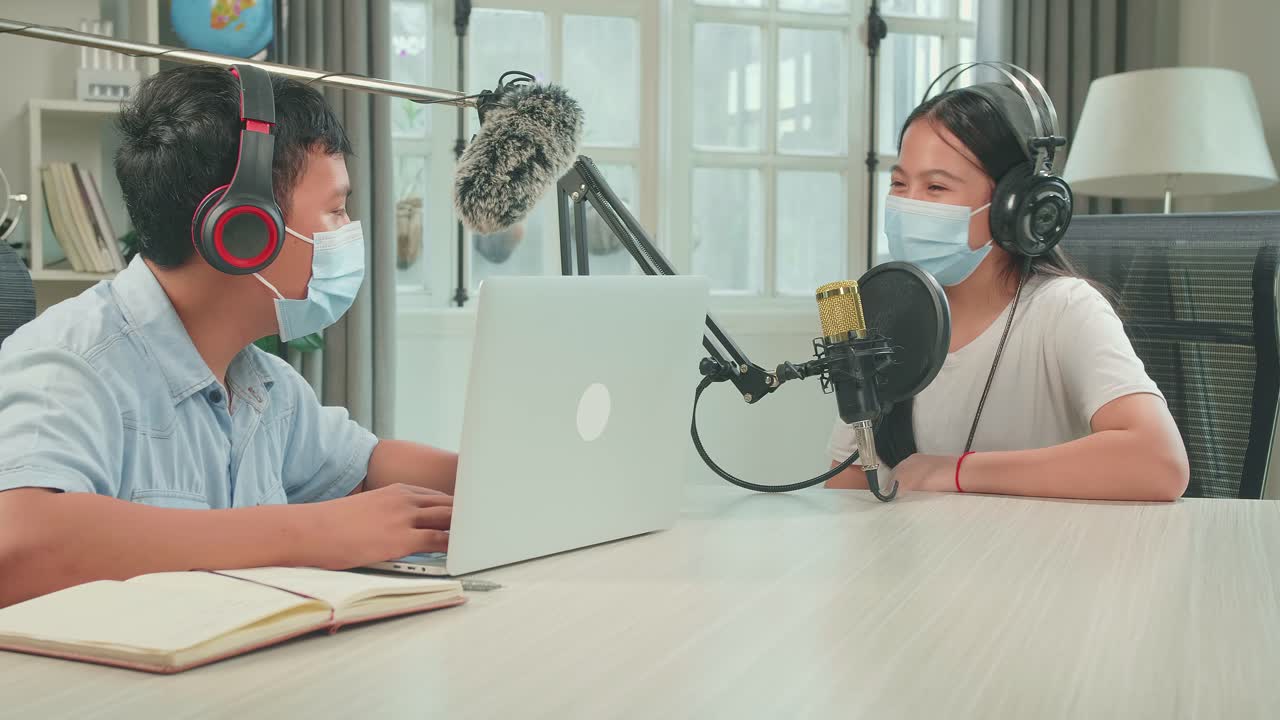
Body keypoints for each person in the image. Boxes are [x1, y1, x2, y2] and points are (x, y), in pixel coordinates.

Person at [0, 65, 457, 607]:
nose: (350, 230)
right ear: (243, 231)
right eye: (335, 209)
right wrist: (310, 533)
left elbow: (365, 471)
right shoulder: (71, 362)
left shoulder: (262, 383)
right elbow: (20, 546)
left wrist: (510, 477)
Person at [827, 75, 1189, 501]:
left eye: (936, 187)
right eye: (900, 184)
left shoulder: (1065, 309)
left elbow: (1158, 462)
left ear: (1012, 206)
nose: (910, 205)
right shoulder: (887, 315)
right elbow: (847, 488)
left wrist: (958, 471)